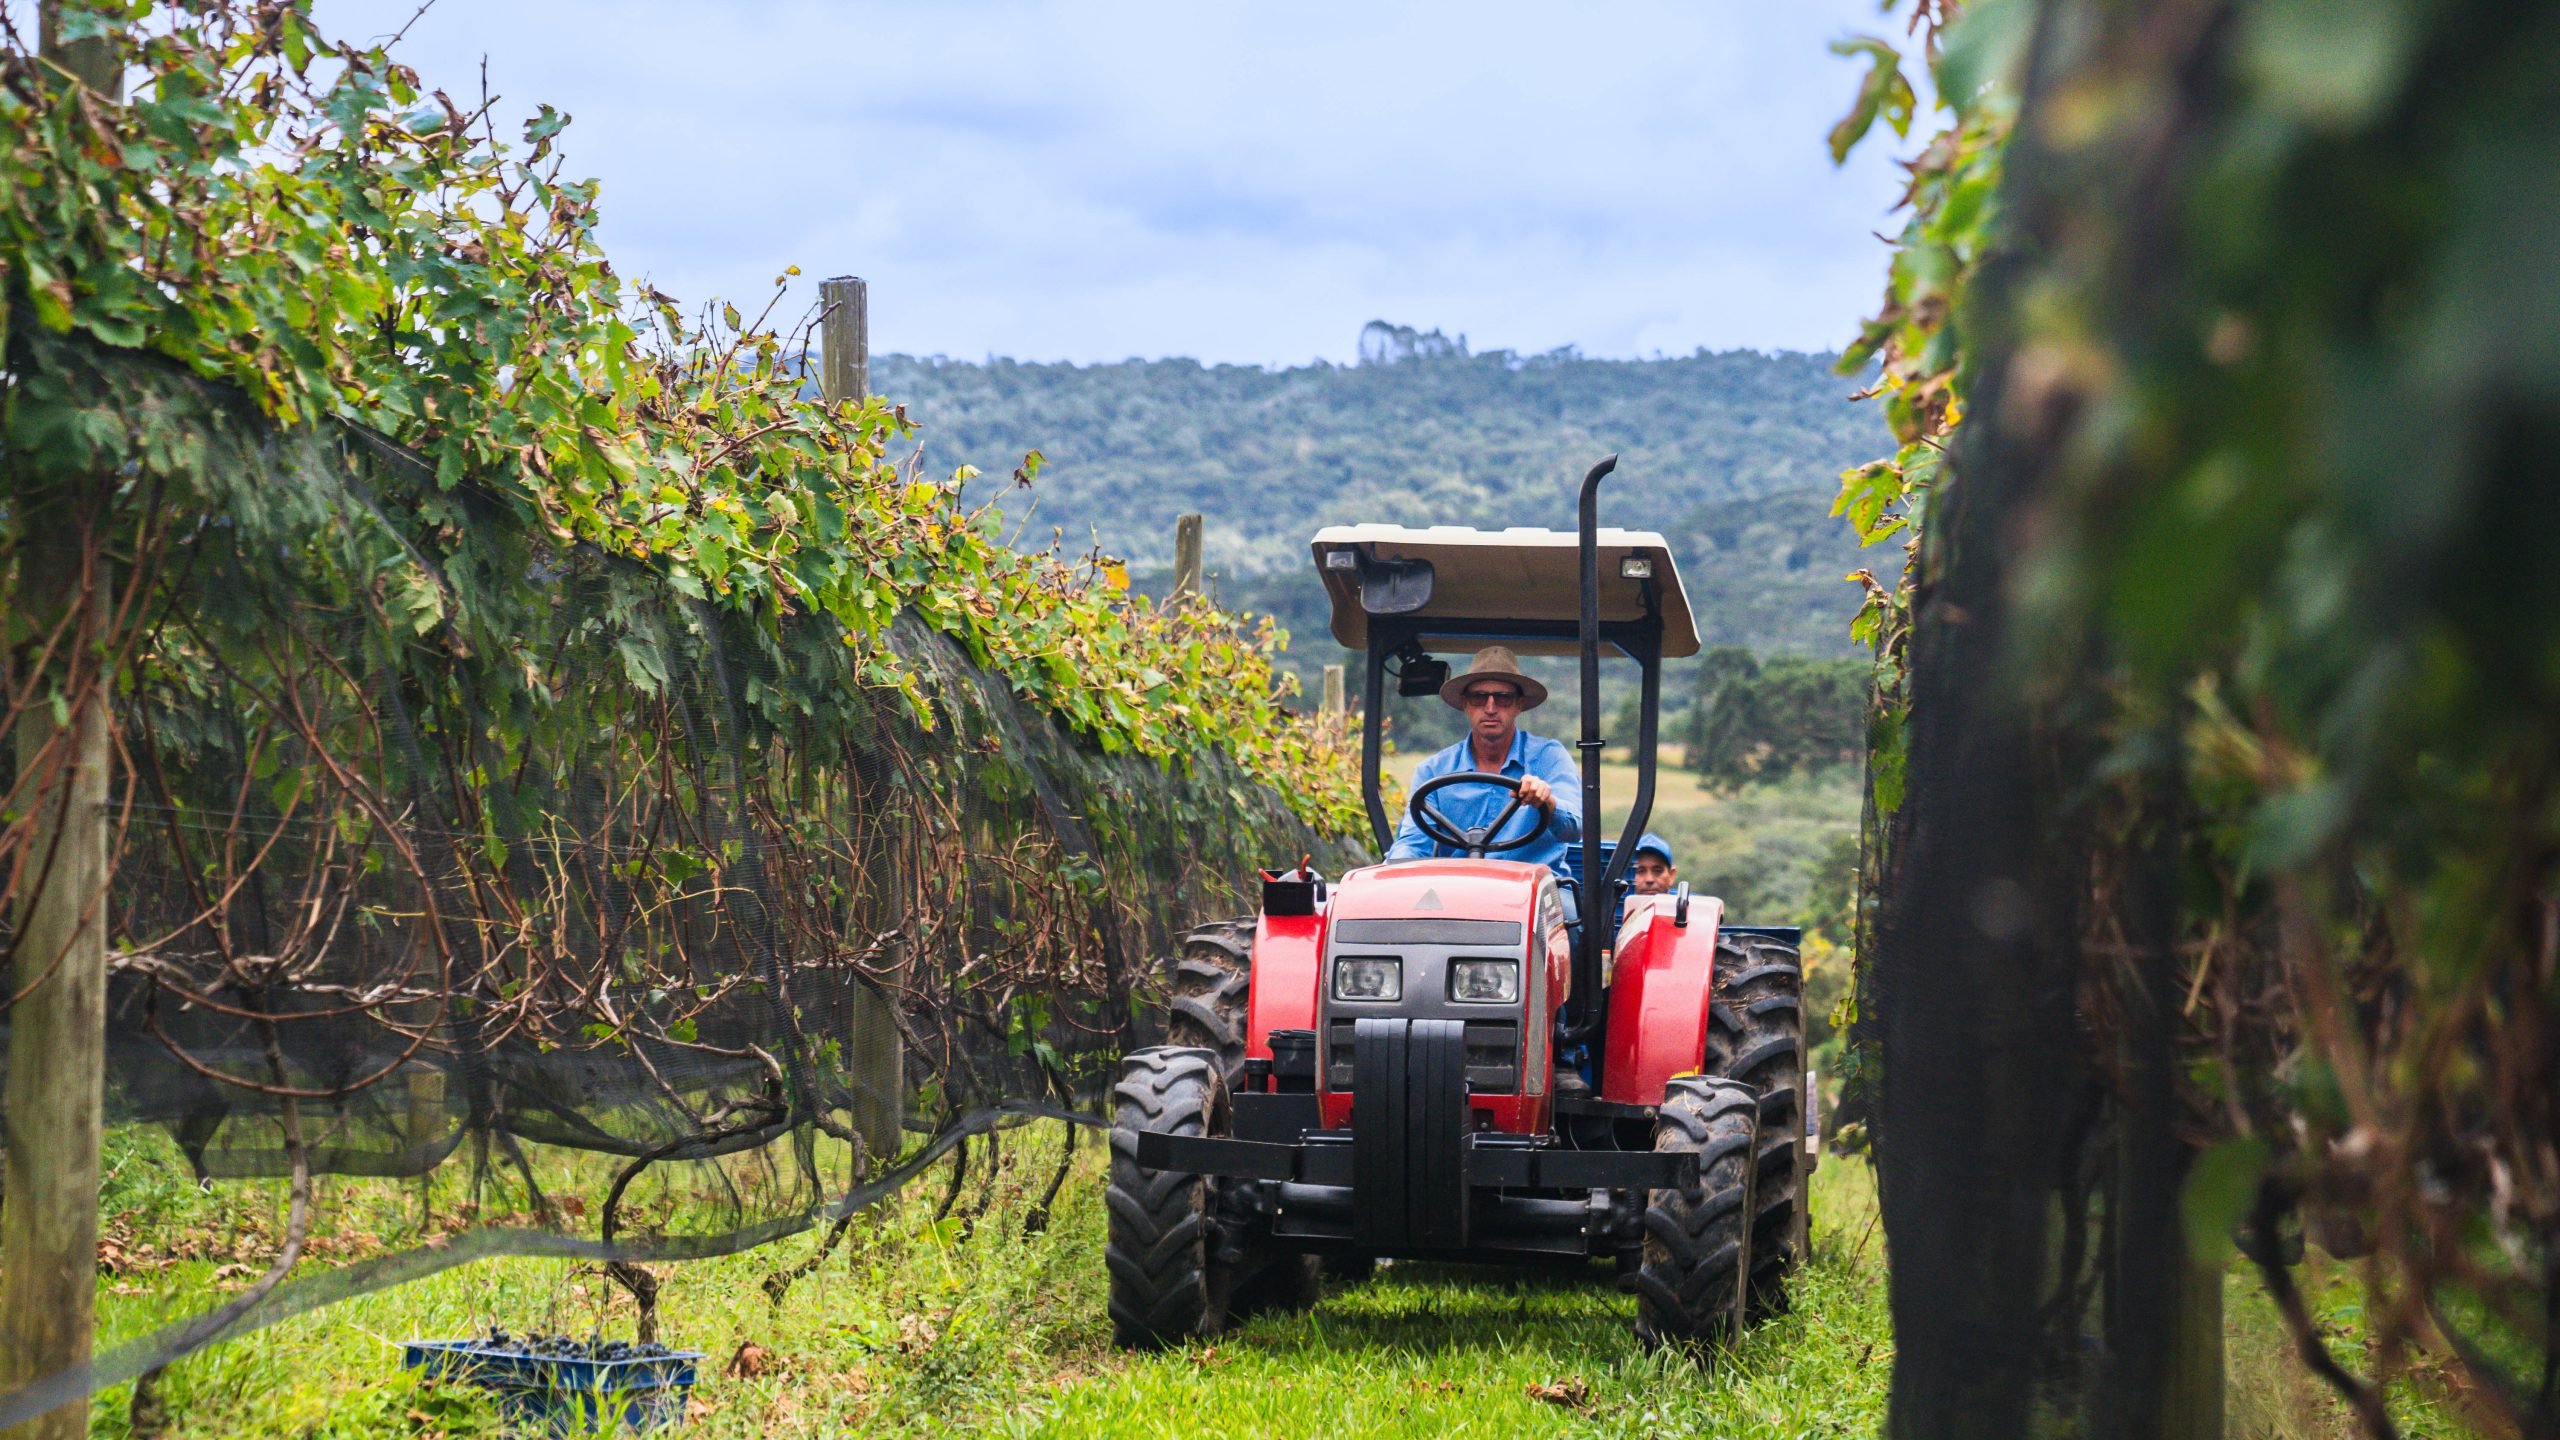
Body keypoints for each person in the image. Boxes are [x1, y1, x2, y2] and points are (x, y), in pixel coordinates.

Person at [1385, 646, 1583, 876]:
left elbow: (1574, 827)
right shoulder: (1433, 771)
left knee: (1565, 909)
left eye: (1503, 698)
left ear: (1519, 704)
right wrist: (1393, 872)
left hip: (1539, 892)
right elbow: (1414, 844)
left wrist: (1546, 801)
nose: (1490, 708)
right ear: (1465, 704)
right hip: (1460, 891)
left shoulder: (1549, 757)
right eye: (1479, 697)